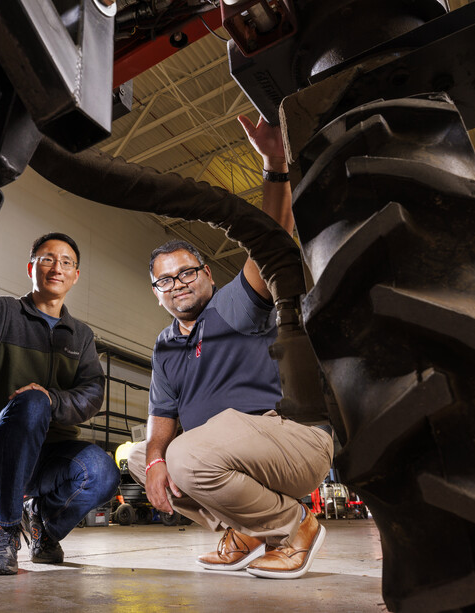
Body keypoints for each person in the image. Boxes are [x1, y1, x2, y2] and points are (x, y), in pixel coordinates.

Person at [127, 116, 334, 579]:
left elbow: (267, 237)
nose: (177, 284)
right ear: (156, 293)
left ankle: (295, 526)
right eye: (165, 280)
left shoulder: (234, 305)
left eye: (186, 272)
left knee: (184, 457)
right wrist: (158, 457)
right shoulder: (164, 347)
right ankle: (246, 529)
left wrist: (274, 164)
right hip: (224, 456)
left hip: (290, 442)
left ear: (209, 275)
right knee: (146, 457)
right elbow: (161, 420)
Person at [0, 232, 120, 575]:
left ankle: (43, 526)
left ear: (76, 275)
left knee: (102, 471)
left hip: (51, 458)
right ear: (31, 267)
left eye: (66, 262)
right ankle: (4, 533)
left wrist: (52, 399)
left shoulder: (81, 335)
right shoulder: (2, 313)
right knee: (32, 403)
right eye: (48, 259)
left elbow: (92, 393)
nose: (57, 267)